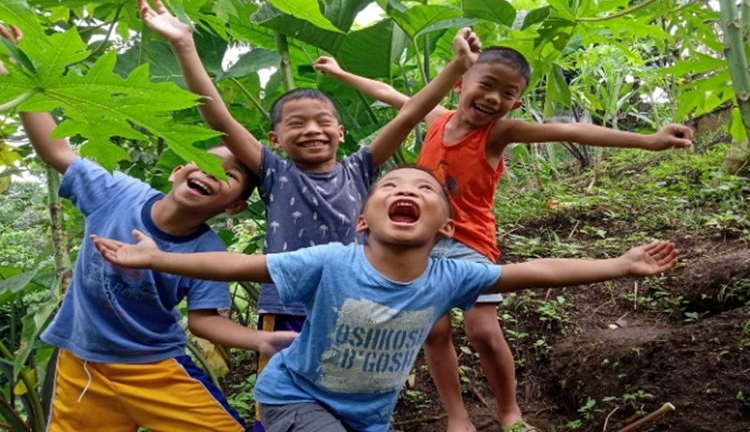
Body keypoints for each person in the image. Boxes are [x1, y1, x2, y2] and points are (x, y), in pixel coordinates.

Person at [91, 166, 679, 432]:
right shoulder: (331, 261)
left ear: (445, 229)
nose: (405, 190)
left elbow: (537, 271)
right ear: (360, 221)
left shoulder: (449, 277)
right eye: (389, 187)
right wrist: (155, 256)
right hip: (294, 394)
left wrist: (618, 265)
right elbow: (241, 265)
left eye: (422, 187)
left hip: (369, 413)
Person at [137, 0, 482, 430]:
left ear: (340, 131)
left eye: (322, 121)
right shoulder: (275, 173)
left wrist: (456, 67)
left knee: (350, 391)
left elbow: (408, 116)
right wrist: (184, 45)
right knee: (282, 404)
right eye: (295, 124)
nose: (312, 130)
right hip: (287, 304)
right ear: (275, 139)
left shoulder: (361, 169)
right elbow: (220, 118)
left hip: (354, 304)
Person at [313, 52, 694, 431]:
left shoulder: (498, 133)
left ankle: (509, 410)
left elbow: (568, 131)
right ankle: (458, 417)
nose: (494, 98)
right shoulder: (434, 118)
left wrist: (647, 140)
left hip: (470, 242)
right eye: (487, 84)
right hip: (423, 243)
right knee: (434, 330)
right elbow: (388, 92)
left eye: (507, 93)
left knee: (481, 329)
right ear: (461, 83)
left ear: (516, 104)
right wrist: (341, 71)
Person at [0, 24, 297, 432]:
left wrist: (260, 340)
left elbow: (204, 321)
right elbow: (54, 149)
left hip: (155, 369)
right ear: (178, 170)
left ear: (234, 206)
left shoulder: (207, 251)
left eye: (228, 176)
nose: (212, 174)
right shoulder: (115, 193)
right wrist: (20, 70)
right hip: (82, 366)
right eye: (206, 163)